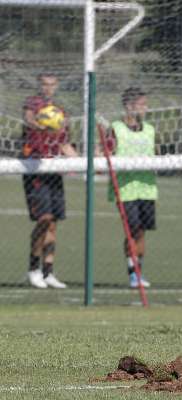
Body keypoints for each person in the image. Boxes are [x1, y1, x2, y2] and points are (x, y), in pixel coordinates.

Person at [22, 72, 77, 289]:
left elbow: (64, 144)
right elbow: (28, 119)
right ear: (39, 85)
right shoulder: (32, 104)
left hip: (55, 170)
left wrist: (84, 163)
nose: (48, 88)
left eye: (52, 84)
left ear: (57, 86)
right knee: (43, 219)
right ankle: (33, 268)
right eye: (44, 84)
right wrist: (39, 124)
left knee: (53, 224)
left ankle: (48, 272)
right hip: (35, 169)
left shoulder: (60, 112)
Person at [105, 87, 157, 289]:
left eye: (146, 104)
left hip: (147, 188)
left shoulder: (150, 129)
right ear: (129, 106)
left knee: (142, 232)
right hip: (125, 189)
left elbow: (157, 154)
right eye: (141, 105)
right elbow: (105, 152)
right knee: (131, 230)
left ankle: (139, 272)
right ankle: (132, 273)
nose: (145, 109)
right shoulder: (115, 128)